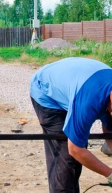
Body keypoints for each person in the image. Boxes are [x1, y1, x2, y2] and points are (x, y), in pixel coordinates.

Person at [30, 57, 112, 192]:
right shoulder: (89, 102)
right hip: (46, 91)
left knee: (77, 159)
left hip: (75, 83)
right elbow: (75, 149)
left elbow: (109, 130)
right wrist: (110, 174)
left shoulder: (106, 96)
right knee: (65, 158)